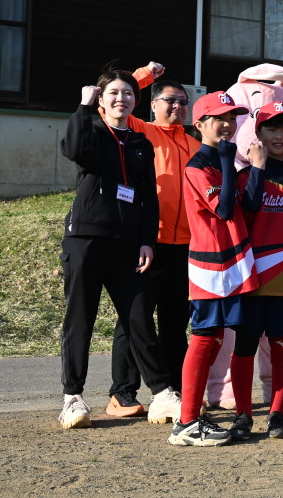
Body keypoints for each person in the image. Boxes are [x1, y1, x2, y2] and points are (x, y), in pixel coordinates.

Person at [57, 70, 182, 430]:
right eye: (112, 92)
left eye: (127, 93)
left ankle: (162, 394)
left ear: (135, 101)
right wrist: (82, 108)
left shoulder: (141, 143)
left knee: (139, 318)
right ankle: (72, 398)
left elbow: (148, 197)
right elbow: (72, 150)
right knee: (81, 318)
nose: (121, 99)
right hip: (87, 238)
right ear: (100, 98)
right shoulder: (92, 131)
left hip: (128, 243)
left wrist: (147, 240)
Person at [105, 64, 201, 419]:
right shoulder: (141, 130)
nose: (177, 106)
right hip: (148, 242)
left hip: (186, 245)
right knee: (135, 318)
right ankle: (122, 392)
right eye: (170, 100)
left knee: (175, 322)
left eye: (183, 102)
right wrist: (144, 75)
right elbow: (114, 105)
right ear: (154, 104)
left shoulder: (195, 144)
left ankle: (174, 391)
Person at [168, 91, 257, 446]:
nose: (228, 124)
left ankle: (209, 416)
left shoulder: (224, 161)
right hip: (211, 266)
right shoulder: (198, 165)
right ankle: (187, 422)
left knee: (224, 337)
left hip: (233, 263)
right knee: (205, 338)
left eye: (232, 118)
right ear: (200, 123)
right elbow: (224, 209)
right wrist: (226, 160)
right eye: (219, 118)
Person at [226, 102, 283, 441]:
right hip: (252, 279)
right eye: (271, 128)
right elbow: (246, 211)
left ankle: (277, 414)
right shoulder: (244, 177)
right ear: (258, 133)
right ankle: (243, 415)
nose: (279, 135)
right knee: (244, 348)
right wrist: (258, 168)